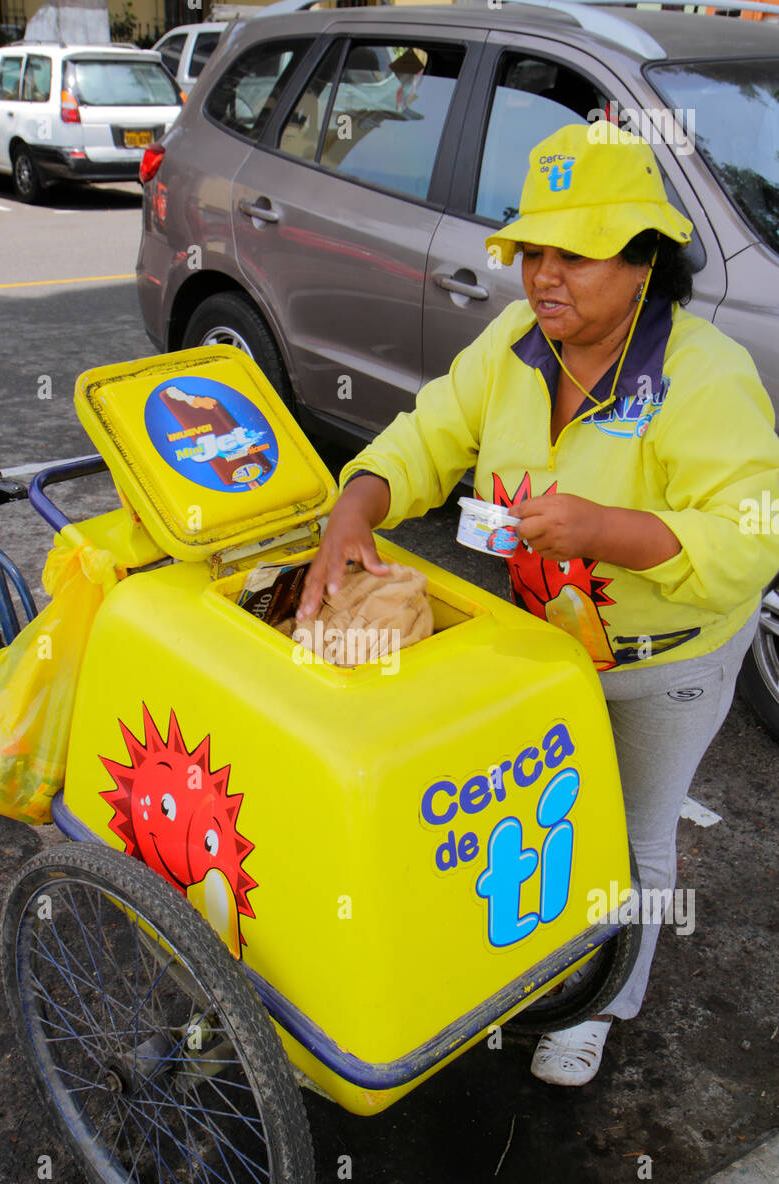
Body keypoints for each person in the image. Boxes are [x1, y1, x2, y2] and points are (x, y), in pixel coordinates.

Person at [296, 121, 779, 1085]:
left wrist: (609, 529)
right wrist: (357, 505)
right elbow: (430, 433)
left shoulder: (707, 377)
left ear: (645, 262)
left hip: (666, 663)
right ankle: (530, 969)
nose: (545, 278)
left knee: (637, 840)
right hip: (542, 650)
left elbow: (754, 535)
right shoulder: (515, 346)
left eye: (578, 256)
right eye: (533, 253)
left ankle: (601, 1006)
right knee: (531, 819)